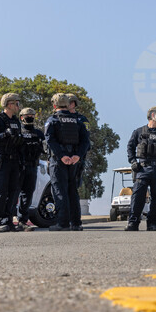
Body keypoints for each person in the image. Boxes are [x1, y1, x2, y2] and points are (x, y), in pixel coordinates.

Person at [45, 93, 91, 231]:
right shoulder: (78, 120)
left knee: (60, 191)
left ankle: (63, 223)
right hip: (75, 161)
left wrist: (61, 155)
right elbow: (85, 141)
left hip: (59, 161)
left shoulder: (52, 120)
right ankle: (76, 223)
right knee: (72, 191)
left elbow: (50, 140)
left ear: (54, 105)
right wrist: (77, 155)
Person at [0, 93, 26, 233]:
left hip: (14, 161)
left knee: (13, 192)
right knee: (0, 192)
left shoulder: (15, 121)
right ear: (9, 104)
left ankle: (7, 221)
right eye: (16, 103)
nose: (18, 106)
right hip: (1, 160)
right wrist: (4, 134)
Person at [16, 107, 45, 231]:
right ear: (21, 117)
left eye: (32, 115)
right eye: (27, 115)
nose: (30, 117)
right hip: (18, 167)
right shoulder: (18, 131)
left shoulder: (39, 133)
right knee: (13, 194)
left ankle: (22, 221)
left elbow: (45, 148)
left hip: (32, 167)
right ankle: (7, 220)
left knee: (28, 194)